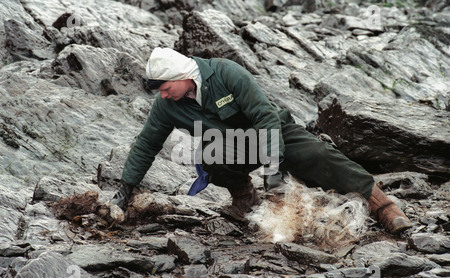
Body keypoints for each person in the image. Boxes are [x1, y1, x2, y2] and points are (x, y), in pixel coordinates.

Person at [111, 47, 412, 235]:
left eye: (164, 88)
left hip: (273, 130)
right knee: (210, 153)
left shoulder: (227, 72)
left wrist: (273, 173)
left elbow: (265, 119)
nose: (162, 95)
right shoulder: (167, 105)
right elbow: (146, 144)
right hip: (233, 146)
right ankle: (245, 200)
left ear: (181, 75)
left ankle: (384, 206)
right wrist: (125, 189)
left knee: (319, 155)